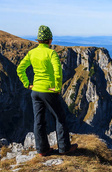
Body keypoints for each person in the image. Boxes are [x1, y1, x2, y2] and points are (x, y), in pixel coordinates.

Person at [17, 25, 78, 156]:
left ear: (38, 40)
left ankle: (42, 150)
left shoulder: (32, 53)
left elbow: (20, 69)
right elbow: (58, 72)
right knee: (60, 117)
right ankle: (64, 148)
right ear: (50, 40)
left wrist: (27, 84)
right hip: (48, 90)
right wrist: (57, 87)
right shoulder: (51, 53)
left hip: (35, 91)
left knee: (38, 120)